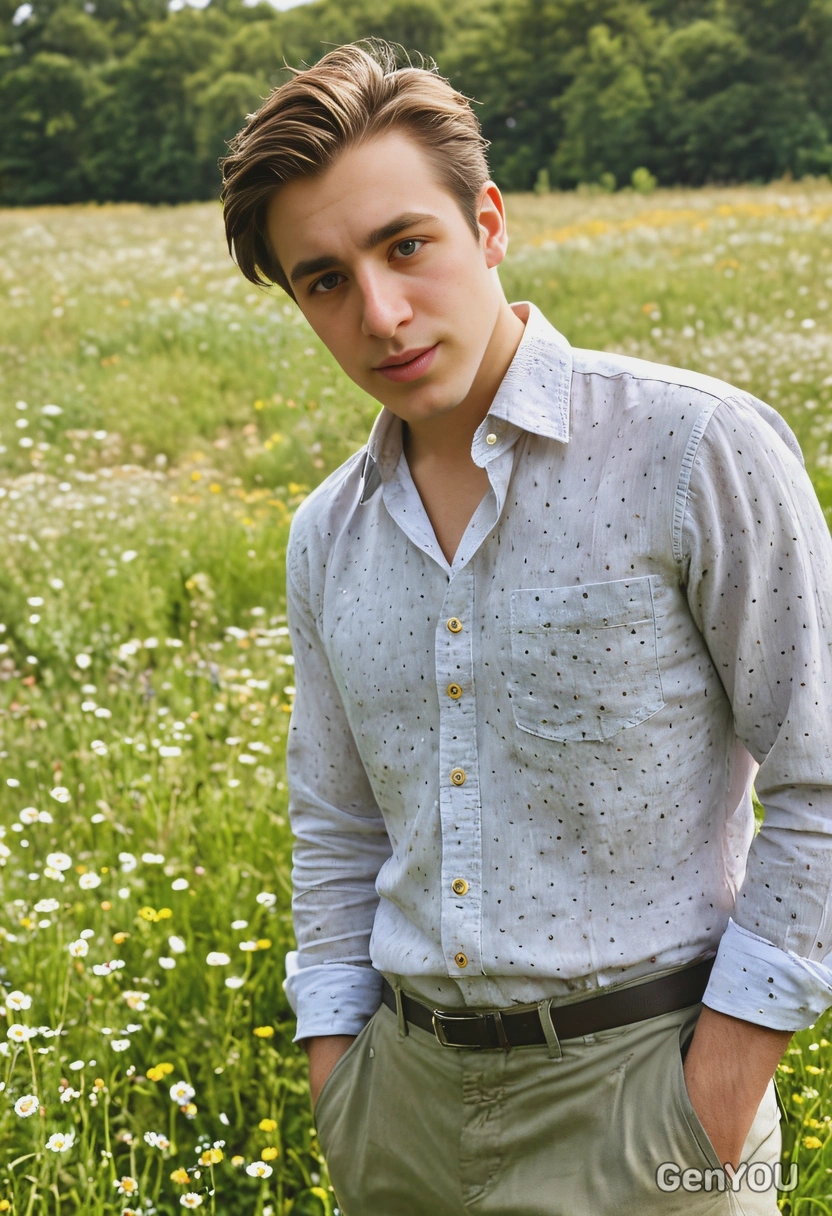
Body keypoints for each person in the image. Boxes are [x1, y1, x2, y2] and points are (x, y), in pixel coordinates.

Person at [220, 39, 832, 1215]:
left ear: (487, 223)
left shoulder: (692, 451)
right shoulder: (326, 535)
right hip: (398, 1109)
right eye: (325, 279)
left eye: (407, 246)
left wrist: (718, 1082)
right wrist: (338, 1072)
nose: (382, 313)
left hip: (644, 1100)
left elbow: (821, 773)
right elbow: (336, 821)